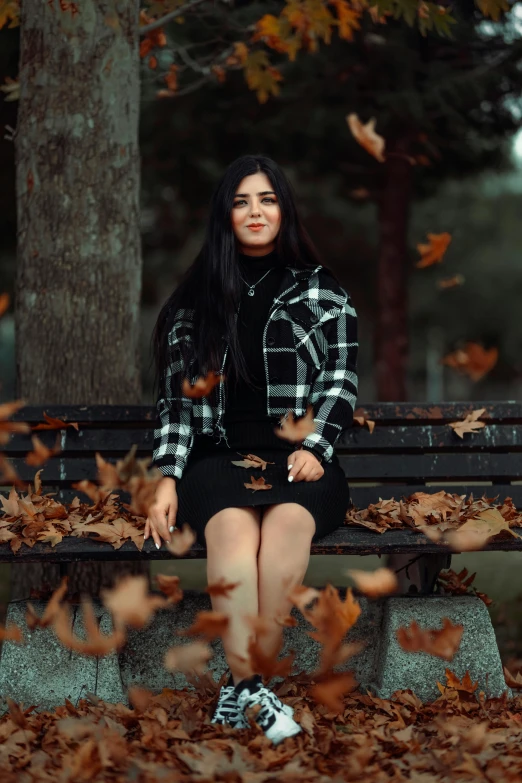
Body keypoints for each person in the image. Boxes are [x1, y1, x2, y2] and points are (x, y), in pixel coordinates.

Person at [146, 154, 358, 745]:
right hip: (217, 460)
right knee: (235, 536)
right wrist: (167, 475)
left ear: (283, 209)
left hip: (302, 462)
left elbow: (341, 380)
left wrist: (318, 445)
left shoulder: (321, 290)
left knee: (286, 530)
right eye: (241, 201)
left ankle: (241, 696)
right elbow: (177, 403)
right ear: (226, 215)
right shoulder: (197, 298)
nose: (255, 211)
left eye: (266, 199)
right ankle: (254, 692)